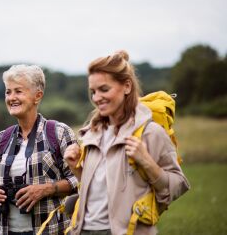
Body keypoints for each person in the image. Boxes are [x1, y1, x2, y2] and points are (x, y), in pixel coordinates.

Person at [64, 51, 190, 235]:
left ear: (127, 86)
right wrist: (77, 169)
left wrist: (147, 162)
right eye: (93, 92)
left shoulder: (150, 133)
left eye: (104, 89)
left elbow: (178, 185)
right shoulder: (92, 134)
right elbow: (104, 190)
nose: (97, 97)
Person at [0, 64, 78, 235]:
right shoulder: (1, 140)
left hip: (51, 230)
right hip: (5, 230)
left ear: (37, 96)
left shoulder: (58, 133)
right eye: (8, 92)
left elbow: (80, 181)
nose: (11, 97)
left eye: (18, 91)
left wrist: (46, 189)